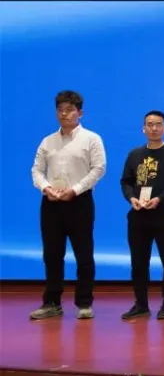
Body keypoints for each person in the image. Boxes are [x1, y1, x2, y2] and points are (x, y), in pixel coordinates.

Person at [29, 90, 106, 320]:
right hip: (51, 202)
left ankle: (84, 303)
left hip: (79, 202)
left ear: (80, 113)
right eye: (60, 110)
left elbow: (98, 169)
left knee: (84, 255)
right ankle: (52, 302)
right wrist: (46, 188)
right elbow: (37, 170)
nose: (64, 114)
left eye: (70, 110)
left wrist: (75, 189)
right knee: (52, 254)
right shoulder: (48, 141)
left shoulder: (91, 139)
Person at [119, 110, 164, 320]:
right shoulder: (134, 154)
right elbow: (126, 182)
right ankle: (141, 303)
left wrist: (160, 198)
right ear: (144, 128)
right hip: (138, 215)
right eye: (149, 124)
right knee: (138, 262)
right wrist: (132, 198)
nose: (154, 128)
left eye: (158, 124)